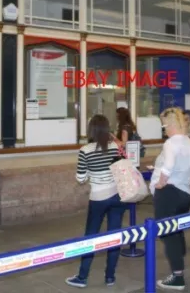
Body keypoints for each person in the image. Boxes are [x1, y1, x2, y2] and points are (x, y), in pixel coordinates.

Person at [65, 115, 127, 288]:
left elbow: (81, 178)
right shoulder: (116, 147)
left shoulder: (85, 150)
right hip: (117, 196)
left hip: (98, 198)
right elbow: (122, 167)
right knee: (114, 237)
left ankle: (83, 277)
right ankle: (110, 277)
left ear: (91, 130)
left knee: (90, 237)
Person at [152, 107, 190, 290]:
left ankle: (177, 276)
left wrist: (161, 182)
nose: (164, 130)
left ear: (170, 124)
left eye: (164, 126)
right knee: (176, 230)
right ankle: (180, 256)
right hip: (185, 192)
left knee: (167, 233)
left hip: (169, 193)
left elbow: (168, 166)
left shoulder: (171, 143)